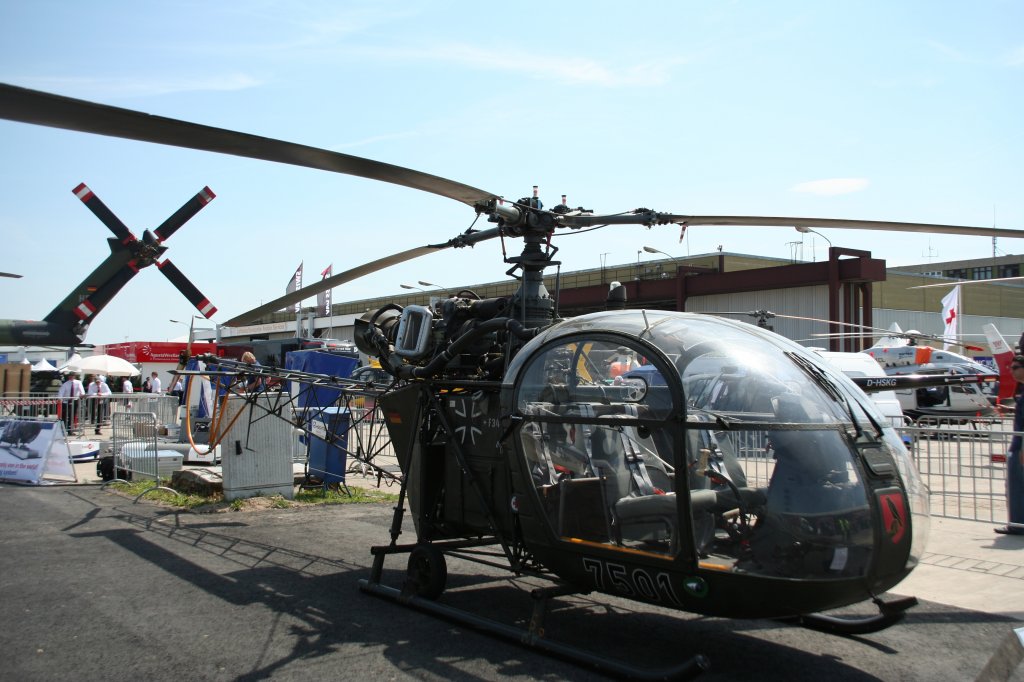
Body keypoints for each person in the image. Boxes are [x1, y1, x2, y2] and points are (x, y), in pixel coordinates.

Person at [995, 355, 1024, 535]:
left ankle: (1017, 524)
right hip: (1018, 443)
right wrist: (1010, 409)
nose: (1010, 371)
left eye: (1015, 368)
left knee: (1015, 486)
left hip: (1020, 445)